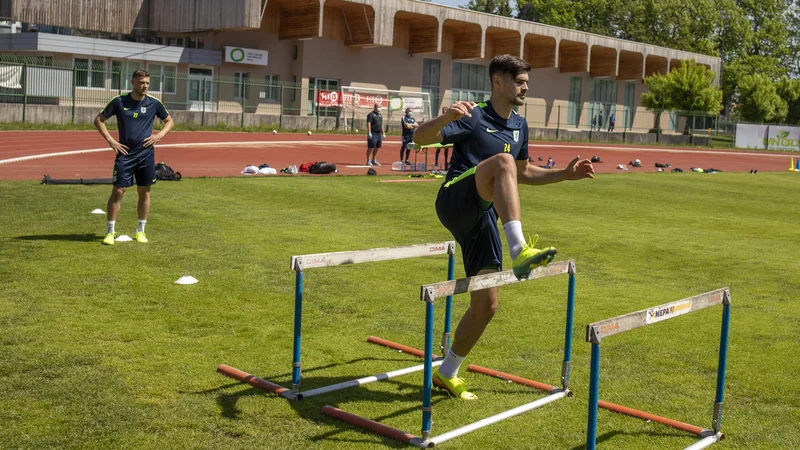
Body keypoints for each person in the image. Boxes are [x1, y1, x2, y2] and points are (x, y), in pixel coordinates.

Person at [413, 54, 594, 400]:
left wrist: (564, 175)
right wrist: (446, 116)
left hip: (482, 219)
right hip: (455, 199)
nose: (526, 87)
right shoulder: (474, 115)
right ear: (498, 81)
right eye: (521, 81)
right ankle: (519, 248)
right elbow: (420, 138)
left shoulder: (520, 126)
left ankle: (447, 373)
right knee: (503, 161)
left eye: (527, 81)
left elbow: (522, 173)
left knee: (486, 305)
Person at [94, 69, 174, 246]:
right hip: (125, 155)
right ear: (132, 83)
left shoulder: (154, 103)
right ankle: (109, 232)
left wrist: (158, 136)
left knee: (144, 192)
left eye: (147, 83)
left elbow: (169, 121)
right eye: (141, 83)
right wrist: (111, 141)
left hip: (146, 156)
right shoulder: (119, 101)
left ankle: (141, 231)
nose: (145, 86)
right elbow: (99, 120)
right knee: (118, 191)